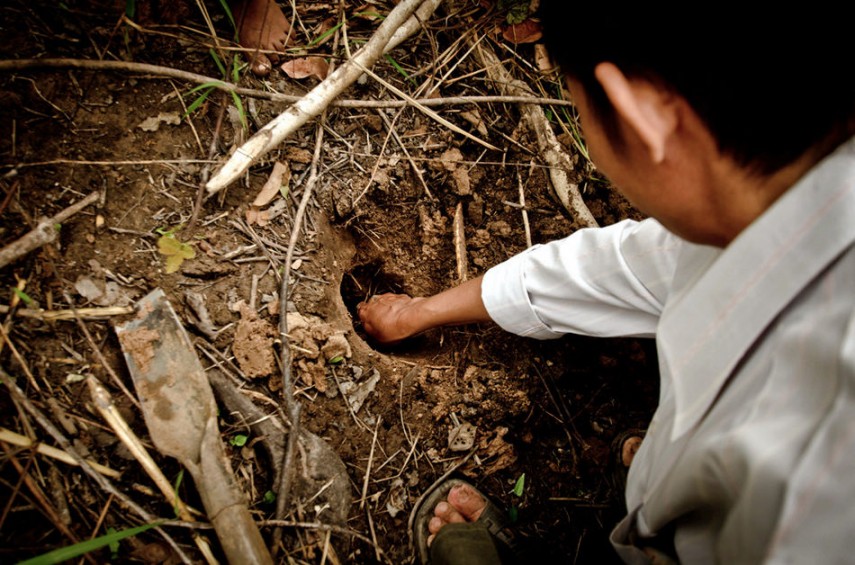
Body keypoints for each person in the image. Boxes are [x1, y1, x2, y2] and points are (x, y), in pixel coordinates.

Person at [357, 3, 855, 564]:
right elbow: (621, 267)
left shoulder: (813, 493)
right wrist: (423, 311)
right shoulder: (783, 197)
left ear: (639, 116)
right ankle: (665, 473)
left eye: (577, 107)